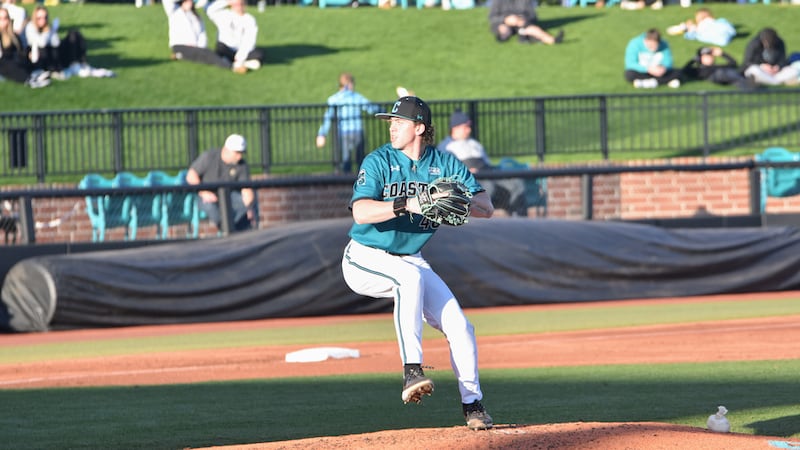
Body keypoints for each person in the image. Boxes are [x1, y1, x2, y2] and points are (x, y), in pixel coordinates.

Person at [340, 96, 496, 431]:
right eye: (391, 122)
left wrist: (456, 202)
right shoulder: (380, 159)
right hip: (364, 256)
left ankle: (473, 405)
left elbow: (486, 206)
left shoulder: (443, 163)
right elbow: (361, 211)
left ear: (419, 128)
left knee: (459, 325)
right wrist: (407, 203)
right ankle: (412, 369)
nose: (392, 127)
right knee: (407, 279)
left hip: (411, 258)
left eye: (399, 122)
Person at [437, 109, 528, 217]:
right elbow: (446, 170)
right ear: (455, 128)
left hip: (489, 174)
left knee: (516, 184)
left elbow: (488, 163)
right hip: (469, 181)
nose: (469, 130)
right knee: (487, 187)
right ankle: (481, 224)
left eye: (469, 126)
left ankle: (519, 220)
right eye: (465, 127)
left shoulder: (474, 144)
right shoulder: (446, 146)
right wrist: (466, 172)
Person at [186, 133, 256, 232]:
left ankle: (237, 230)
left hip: (229, 196)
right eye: (237, 153)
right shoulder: (209, 156)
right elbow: (191, 175)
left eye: (241, 153)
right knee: (211, 208)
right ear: (227, 150)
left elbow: (246, 190)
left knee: (244, 206)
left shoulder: (241, 165)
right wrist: (203, 192)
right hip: (206, 195)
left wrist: (249, 207)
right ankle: (226, 230)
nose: (239, 156)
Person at [23, 6, 115, 80]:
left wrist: (52, 32)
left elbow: (56, 43)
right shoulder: (31, 27)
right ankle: (59, 69)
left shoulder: (47, 28)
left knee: (74, 34)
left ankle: (79, 63)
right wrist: (50, 31)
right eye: (39, 18)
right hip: (41, 58)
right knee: (43, 48)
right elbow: (42, 43)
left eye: (45, 17)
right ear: (35, 18)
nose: (43, 20)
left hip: (54, 54)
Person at [316, 72, 381, 174]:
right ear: (350, 84)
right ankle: (362, 183)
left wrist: (322, 134)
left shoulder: (334, 99)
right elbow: (370, 108)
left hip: (343, 132)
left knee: (346, 161)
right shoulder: (356, 97)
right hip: (357, 131)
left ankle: (347, 182)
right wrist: (382, 110)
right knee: (361, 161)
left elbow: (328, 118)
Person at [162, 0, 232, 70]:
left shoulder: (196, 16)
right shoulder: (174, 11)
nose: (190, 2)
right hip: (180, 46)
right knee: (208, 54)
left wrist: (200, 47)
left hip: (195, 47)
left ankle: (228, 62)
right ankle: (228, 66)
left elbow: (202, 34)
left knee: (207, 53)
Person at [206, 0, 264, 74]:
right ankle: (235, 64)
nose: (239, 7)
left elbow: (250, 40)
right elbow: (210, 10)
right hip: (226, 48)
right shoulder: (223, 15)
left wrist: (241, 55)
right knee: (220, 48)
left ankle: (236, 63)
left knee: (259, 53)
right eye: (236, 4)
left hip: (240, 50)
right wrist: (227, 1)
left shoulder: (250, 19)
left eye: (241, 4)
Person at [1, 8, 50, 88]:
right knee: (6, 62)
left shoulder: (13, 36)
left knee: (29, 55)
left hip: (16, 61)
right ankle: (30, 80)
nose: (3, 22)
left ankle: (35, 72)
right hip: (5, 65)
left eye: (5, 18)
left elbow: (20, 51)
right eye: (1, 19)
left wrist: (28, 54)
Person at [488, 0, 564, 45]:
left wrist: (522, 20)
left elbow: (532, 16)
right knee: (503, 28)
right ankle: (503, 37)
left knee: (532, 29)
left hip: (522, 22)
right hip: (504, 22)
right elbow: (492, 17)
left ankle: (552, 40)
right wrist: (505, 19)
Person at [681, 46, 754, 90]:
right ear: (700, 59)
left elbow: (733, 63)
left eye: (711, 56)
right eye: (706, 56)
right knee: (725, 73)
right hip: (717, 76)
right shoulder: (698, 70)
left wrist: (723, 54)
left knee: (736, 76)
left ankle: (751, 87)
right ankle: (749, 83)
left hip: (727, 75)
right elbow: (684, 71)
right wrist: (693, 61)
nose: (710, 58)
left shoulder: (718, 66)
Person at [666, 8, 736, 47]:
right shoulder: (721, 21)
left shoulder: (702, 27)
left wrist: (688, 28)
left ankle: (684, 27)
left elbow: (690, 35)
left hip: (720, 37)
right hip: (724, 37)